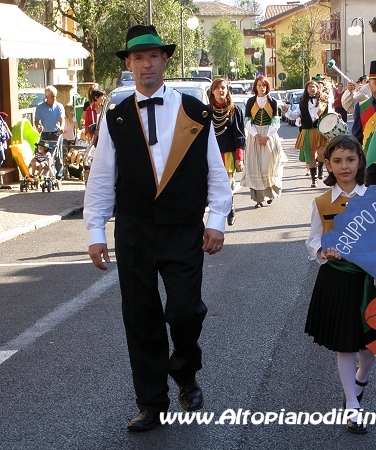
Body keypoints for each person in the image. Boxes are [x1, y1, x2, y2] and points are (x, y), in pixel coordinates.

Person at [83, 25, 231, 432]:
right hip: (134, 230)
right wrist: (96, 231)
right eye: (138, 58)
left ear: (165, 60)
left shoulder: (195, 111)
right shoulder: (114, 118)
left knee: (184, 311)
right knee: (140, 316)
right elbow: (100, 179)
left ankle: (184, 370)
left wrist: (216, 220)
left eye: (153, 56)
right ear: (129, 65)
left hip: (183, 228)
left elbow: (215, 172)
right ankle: (151, 403)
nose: (146, 64)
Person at [304, 134, 376, 434]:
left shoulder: (375, 198)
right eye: (337, 160)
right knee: (345, 343)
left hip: (370, 280)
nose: (344, 166)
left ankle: (361, 377)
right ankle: (352, 404)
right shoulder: (323, 201)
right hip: (338, 278)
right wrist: (322, 250)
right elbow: (313, 238)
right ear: (328, 164)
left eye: (350, 159)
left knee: (370, 345)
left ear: (360, 161)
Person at [243, 75, 287, 207]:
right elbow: (247, 120)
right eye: (259, 85)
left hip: (269, 135)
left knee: (269, 166)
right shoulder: (251, 101)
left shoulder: (272, 101)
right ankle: (258, 199)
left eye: (264, 85)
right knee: (255, 166)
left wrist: (267, 136)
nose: (261, 88)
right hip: (254, 135)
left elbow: (275, 120)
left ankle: (271, 193)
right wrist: (256, 136)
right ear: (255, 87)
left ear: (267, 87)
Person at [208, 78, 245, 224]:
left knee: (227, 183)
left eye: (223, 87)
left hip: (228, 152)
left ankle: (230, 207)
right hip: (211, 152)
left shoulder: (235, 111)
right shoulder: (206, 111)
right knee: (213, 184)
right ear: (213, 91)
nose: (220, 90)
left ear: (227, 90)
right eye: (217, 88)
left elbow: (239, 135)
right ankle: (216, 210)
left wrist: (239, 157)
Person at [283, 78, 329, 187]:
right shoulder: (302, 102)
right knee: (310, 156)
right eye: (309, 87)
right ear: (307, 89)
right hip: (307, 131)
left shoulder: (323, 101)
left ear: (317, 88)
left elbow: (329, 114)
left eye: (314, 86)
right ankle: (314, 180)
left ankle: (320, 169)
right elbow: (294, 115)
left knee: (322, 153)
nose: (312, 88)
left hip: (320, 131)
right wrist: (287, 111)